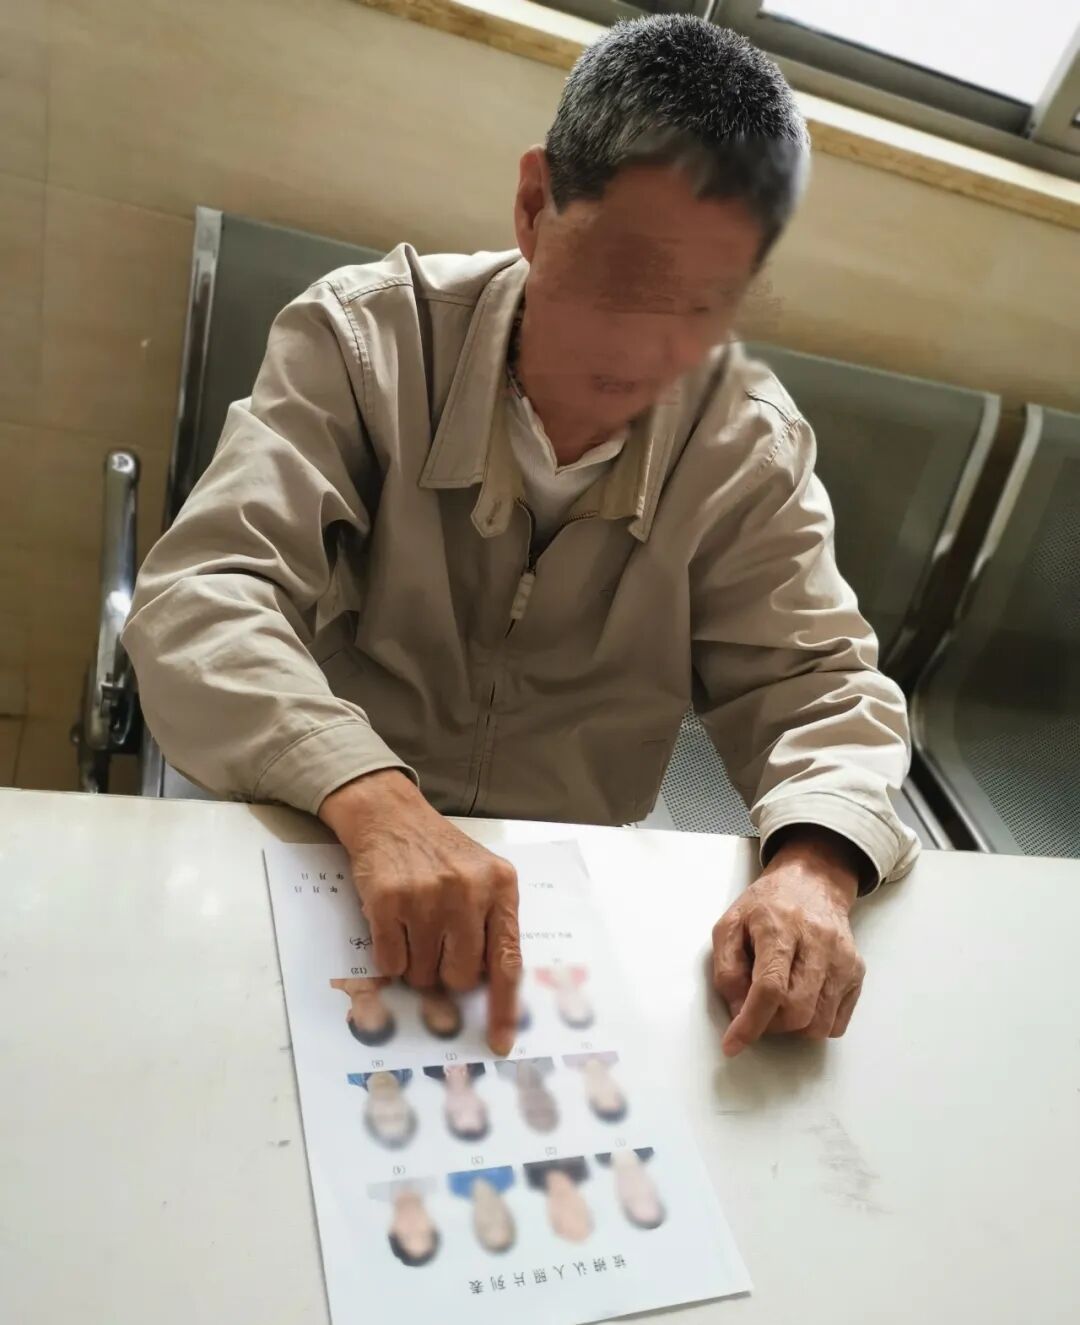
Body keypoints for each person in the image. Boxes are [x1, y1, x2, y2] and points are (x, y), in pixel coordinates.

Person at [122, 15, 918, 1060]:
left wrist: (815, 861)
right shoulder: (369, 341)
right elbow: (204, 594)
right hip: (320, 824)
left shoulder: (745, 444)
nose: (656, 349)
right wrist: (368, 793)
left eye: (712, 301)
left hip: (562, 885)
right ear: (536, 204)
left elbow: (821, 687)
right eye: (628, 275)